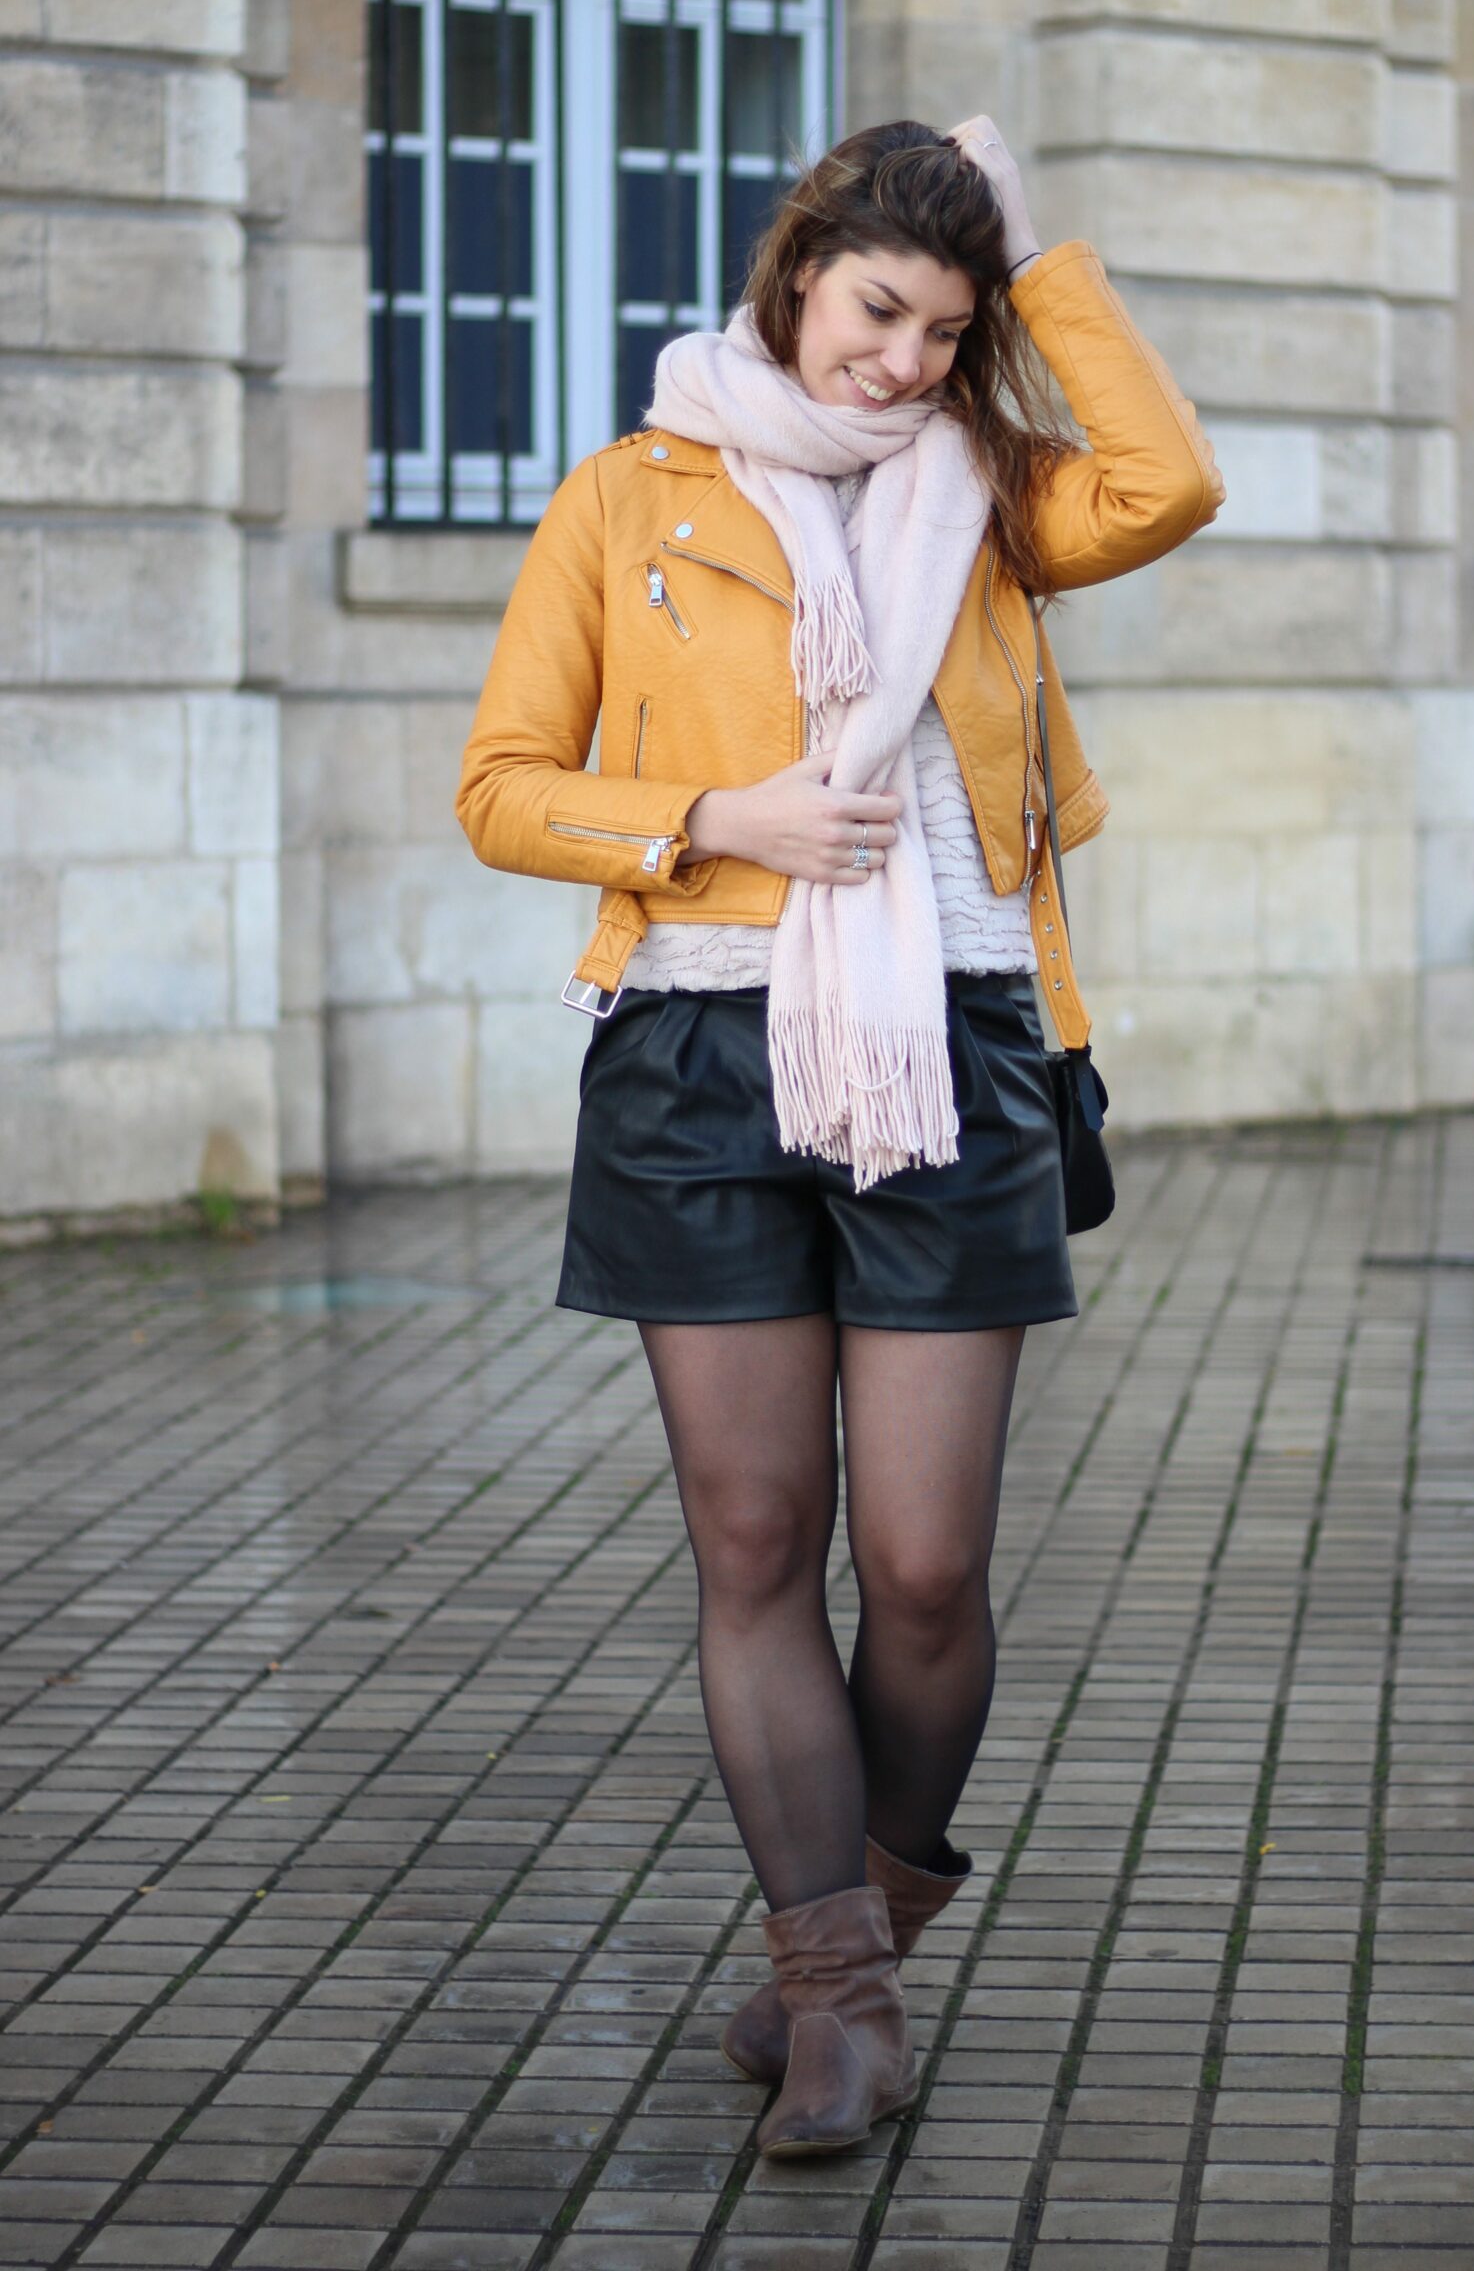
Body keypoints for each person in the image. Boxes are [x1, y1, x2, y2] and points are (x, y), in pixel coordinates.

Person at [456, 115, 1224, 2160]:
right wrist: (714, 818)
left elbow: (1167, 480)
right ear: (797, 272)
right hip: (694, 1063)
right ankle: (838, 1995)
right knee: (753, 1541)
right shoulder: (626, 495)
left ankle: (858, 1927)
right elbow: (502, 784)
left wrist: (1035, 266)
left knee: (927, 1562)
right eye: (878, 310)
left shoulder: (994, 495)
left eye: (943, 330)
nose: (902, 361)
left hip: (950, 1051)